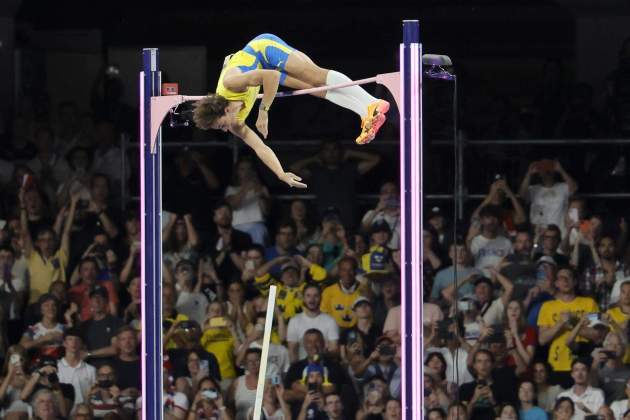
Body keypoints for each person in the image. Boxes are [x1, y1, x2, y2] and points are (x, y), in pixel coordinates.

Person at [192, 33, 390, 187]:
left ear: (224, 111)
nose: (226, 130)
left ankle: (372, 102)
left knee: (315, 77)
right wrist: (280, 173)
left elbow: (271, 77)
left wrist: (264, 110)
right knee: (314, 90)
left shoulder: (232, 83)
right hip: (261, 68)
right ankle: (365, 112)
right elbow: (260, 147)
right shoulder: (235, 122)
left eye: (221, 126)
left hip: (263, 50)